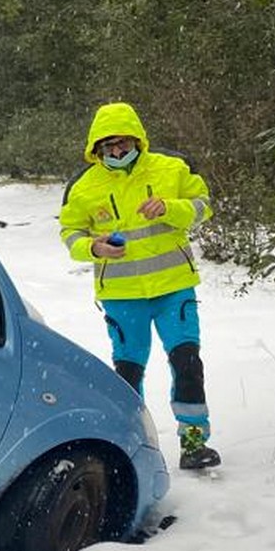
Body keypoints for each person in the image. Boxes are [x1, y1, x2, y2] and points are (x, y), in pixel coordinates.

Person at [58, 101, 220, 469]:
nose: (116, 151)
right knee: (128, 373)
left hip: (173, 287)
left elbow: (202, 205)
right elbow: (69, 232)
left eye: (122, 143)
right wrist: (93, 247)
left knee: (187, 362)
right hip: (121, 295)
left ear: (138, 140)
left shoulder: (172, 169)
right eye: (107, 146)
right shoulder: (83, 187)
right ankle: (133, 446)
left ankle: (194, 442)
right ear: (97, 149)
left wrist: (170, 208)